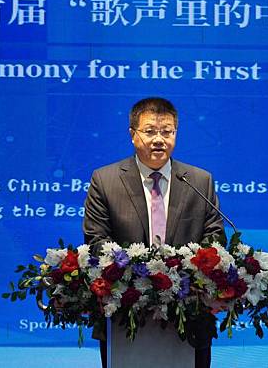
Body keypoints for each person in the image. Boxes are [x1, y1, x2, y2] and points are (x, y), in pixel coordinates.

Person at [83, 97, 226, 368]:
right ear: (133, 134)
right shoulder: (105, 180)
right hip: (125, 313)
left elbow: (214, 237)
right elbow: (96, 240)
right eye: (149, 131)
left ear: (176, 134)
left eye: (167, 131)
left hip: (190, 313)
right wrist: (136, 276)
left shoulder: (199, 180)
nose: (158, 139)